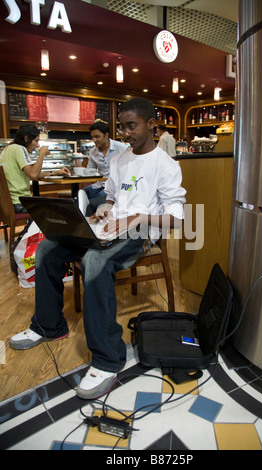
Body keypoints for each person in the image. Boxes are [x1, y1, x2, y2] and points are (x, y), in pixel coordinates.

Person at [9, 98, 186, 400]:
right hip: (110, 227)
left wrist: (139, 216)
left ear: (151, 125)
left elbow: (177, 218)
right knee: (48, 248)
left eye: (132, 126)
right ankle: (48, 325)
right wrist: (104, 209)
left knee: (95, 260)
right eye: (122, 127)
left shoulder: (167, 166)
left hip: (142, 232)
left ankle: (107, 359)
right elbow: (112, 197)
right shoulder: (119, 160)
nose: (126, 133)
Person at [0, 124, 70, 213]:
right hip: (20, 202)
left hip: (6, 204)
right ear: (26, 139)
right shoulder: (19, 148)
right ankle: (29, 227)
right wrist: (42, 154)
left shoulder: (6, 149)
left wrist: (57, 172)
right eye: (36, 141)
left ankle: (29, 227)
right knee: (56, 208)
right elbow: (33, 175)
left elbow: (31, 173)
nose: (38, 145)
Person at [83, 121, 127, 214]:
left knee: (93, 200)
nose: (94, 140)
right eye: (92, 137)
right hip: (99, 184)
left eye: (97, 137)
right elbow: (89, 170)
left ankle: (93, 220)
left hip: (114, 186)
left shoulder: (121, 148)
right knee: (81, 194)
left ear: (106, 135)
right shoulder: (92, 151)